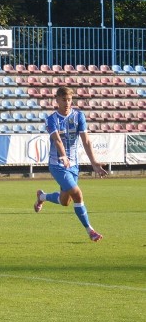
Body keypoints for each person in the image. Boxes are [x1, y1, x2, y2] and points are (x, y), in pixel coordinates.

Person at [33, 86, 107, 241]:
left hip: (73, 165)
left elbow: (86, 140)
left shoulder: (79, 116)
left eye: (69, 100)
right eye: (63, 100)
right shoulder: (51, 119)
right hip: (57, 164)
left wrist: (94, 163)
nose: (67, 103)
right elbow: (57, 140)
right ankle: (90, 231)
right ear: (57, 100)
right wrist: (63, 156)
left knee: (65, 201)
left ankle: (42, 197)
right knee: (78, 193)